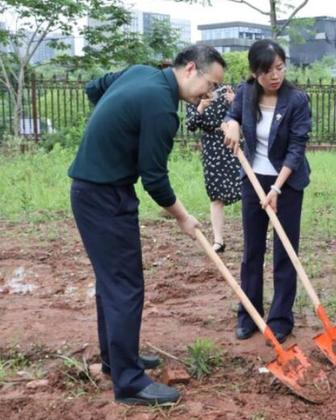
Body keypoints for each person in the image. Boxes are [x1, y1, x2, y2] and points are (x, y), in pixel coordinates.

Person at [69, 44, 226, 405]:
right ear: (190, 69)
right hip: (105, 196)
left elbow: (94, 87)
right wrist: (185, 219)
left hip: (95, 190)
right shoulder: (161, 108)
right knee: (125, 286)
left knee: (113, 283)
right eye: (210, 84)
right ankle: (129, 383)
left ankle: (116, 360)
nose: (210, 94)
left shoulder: (140, 72)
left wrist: (111, 132)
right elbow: (154, 179)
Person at [221, 39, 311, 344]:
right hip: (252, 178)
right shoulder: (245, 93)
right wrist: (230, 123)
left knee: (285, 253)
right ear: (254, 72)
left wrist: (276, 187)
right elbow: (231, 117)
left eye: (280, 68)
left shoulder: (296, 100)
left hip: (287, 183)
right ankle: (249, 315)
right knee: (252, 251)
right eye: (268, 71)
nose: (275, 76)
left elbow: (297, 147)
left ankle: (280, 319)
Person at [186, 85, 241, 253]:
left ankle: (254, 238)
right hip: (212, 147)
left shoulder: (226, 92)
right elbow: (191, 125)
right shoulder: (194, 97)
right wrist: (201, 108)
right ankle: (218, 241)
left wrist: (235, 102)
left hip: (232, 142)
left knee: (246, 189)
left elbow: (243, 116)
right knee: (215, 194)